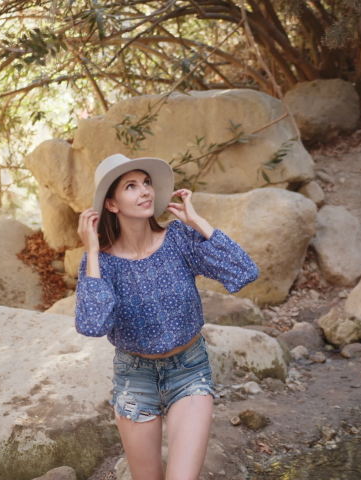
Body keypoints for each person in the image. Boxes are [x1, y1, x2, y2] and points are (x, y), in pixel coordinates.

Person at [74, 153, 259, 480]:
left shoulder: (178, 238)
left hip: (188, 371)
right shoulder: (102, 263)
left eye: (146, 183)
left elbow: (244, 271)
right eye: (131, 186)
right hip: (135, 379)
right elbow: (92, 324)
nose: (145, 191)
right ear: (112, 204)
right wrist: (91, 251)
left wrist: (197, 222)